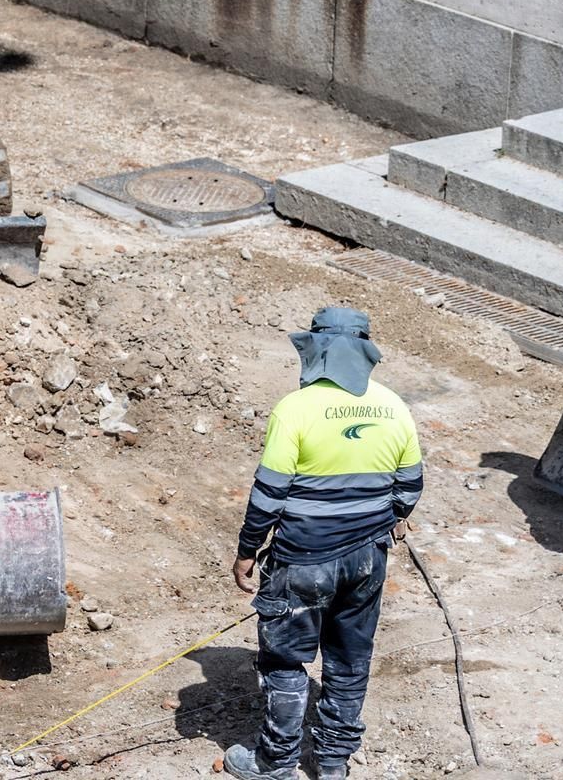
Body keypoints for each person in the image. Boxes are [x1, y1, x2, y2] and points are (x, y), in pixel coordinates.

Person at [224, 308, 422, 780]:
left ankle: (275, 763)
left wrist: (248, 550)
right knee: (350, 659)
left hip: (302, 560)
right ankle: (332, 764)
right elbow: (410, 488)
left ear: (315, 349)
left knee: (285, 658)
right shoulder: (394, 406)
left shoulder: (295, 408)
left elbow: (268, 494)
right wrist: (380, 521)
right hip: (368, 560)